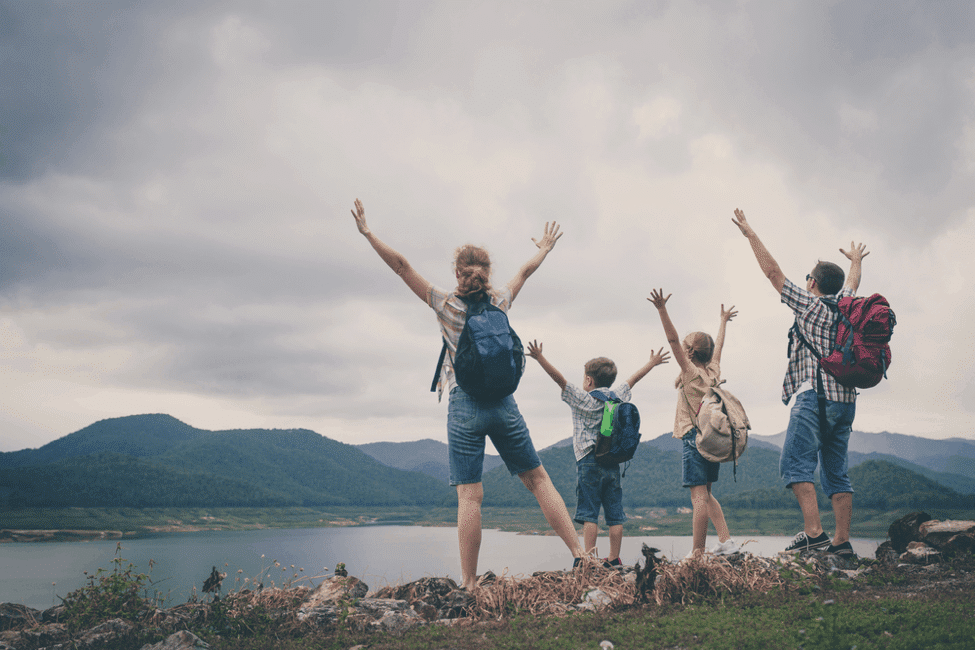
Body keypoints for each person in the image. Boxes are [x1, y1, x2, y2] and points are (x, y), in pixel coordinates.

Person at [350, 198, 584, 590]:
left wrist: (368, 233)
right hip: (504, 403)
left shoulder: (446, 305)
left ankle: (471, 583)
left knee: (470, 496)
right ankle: (581, 556)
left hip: (464, 404)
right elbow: (526, 270)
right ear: (487, 273)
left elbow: (402, 266)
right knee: (539, 479)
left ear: (458, 273)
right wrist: (544, 247)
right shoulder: (500, 301)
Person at [731, 208, 868, 557]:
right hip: (846, 402)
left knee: (794, 464)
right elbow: (853, 282)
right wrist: (855, 260)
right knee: (837, 472)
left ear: (812, 282)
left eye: (808, 276)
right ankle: (841, 542)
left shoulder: (810, 306)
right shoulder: (846, 305)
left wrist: (750, 233)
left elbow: (773, 272)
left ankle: (814, 533)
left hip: (814, 398)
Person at [526, 341, 670, 567]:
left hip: (588, 462)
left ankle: (589, 558)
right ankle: (614, 558)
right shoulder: (617, 396)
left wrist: (539, 358)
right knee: (615, 515)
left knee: (589, 514)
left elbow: (560, 380)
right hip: (612, 461)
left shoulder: (583, 399)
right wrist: (651, 363)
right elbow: (632, 380)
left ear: (588, 380)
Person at [648, 289, 740, 559]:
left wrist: (662, 309)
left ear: (688, 353)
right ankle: (726, 541)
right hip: (712, 437)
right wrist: (722, 322)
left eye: (685, 348)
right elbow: (718, 347)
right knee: (708, 495)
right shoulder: (713, 371)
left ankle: (697, 553)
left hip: (694, 436)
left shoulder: (690, 372)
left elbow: (672, 339)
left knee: (698, 497)